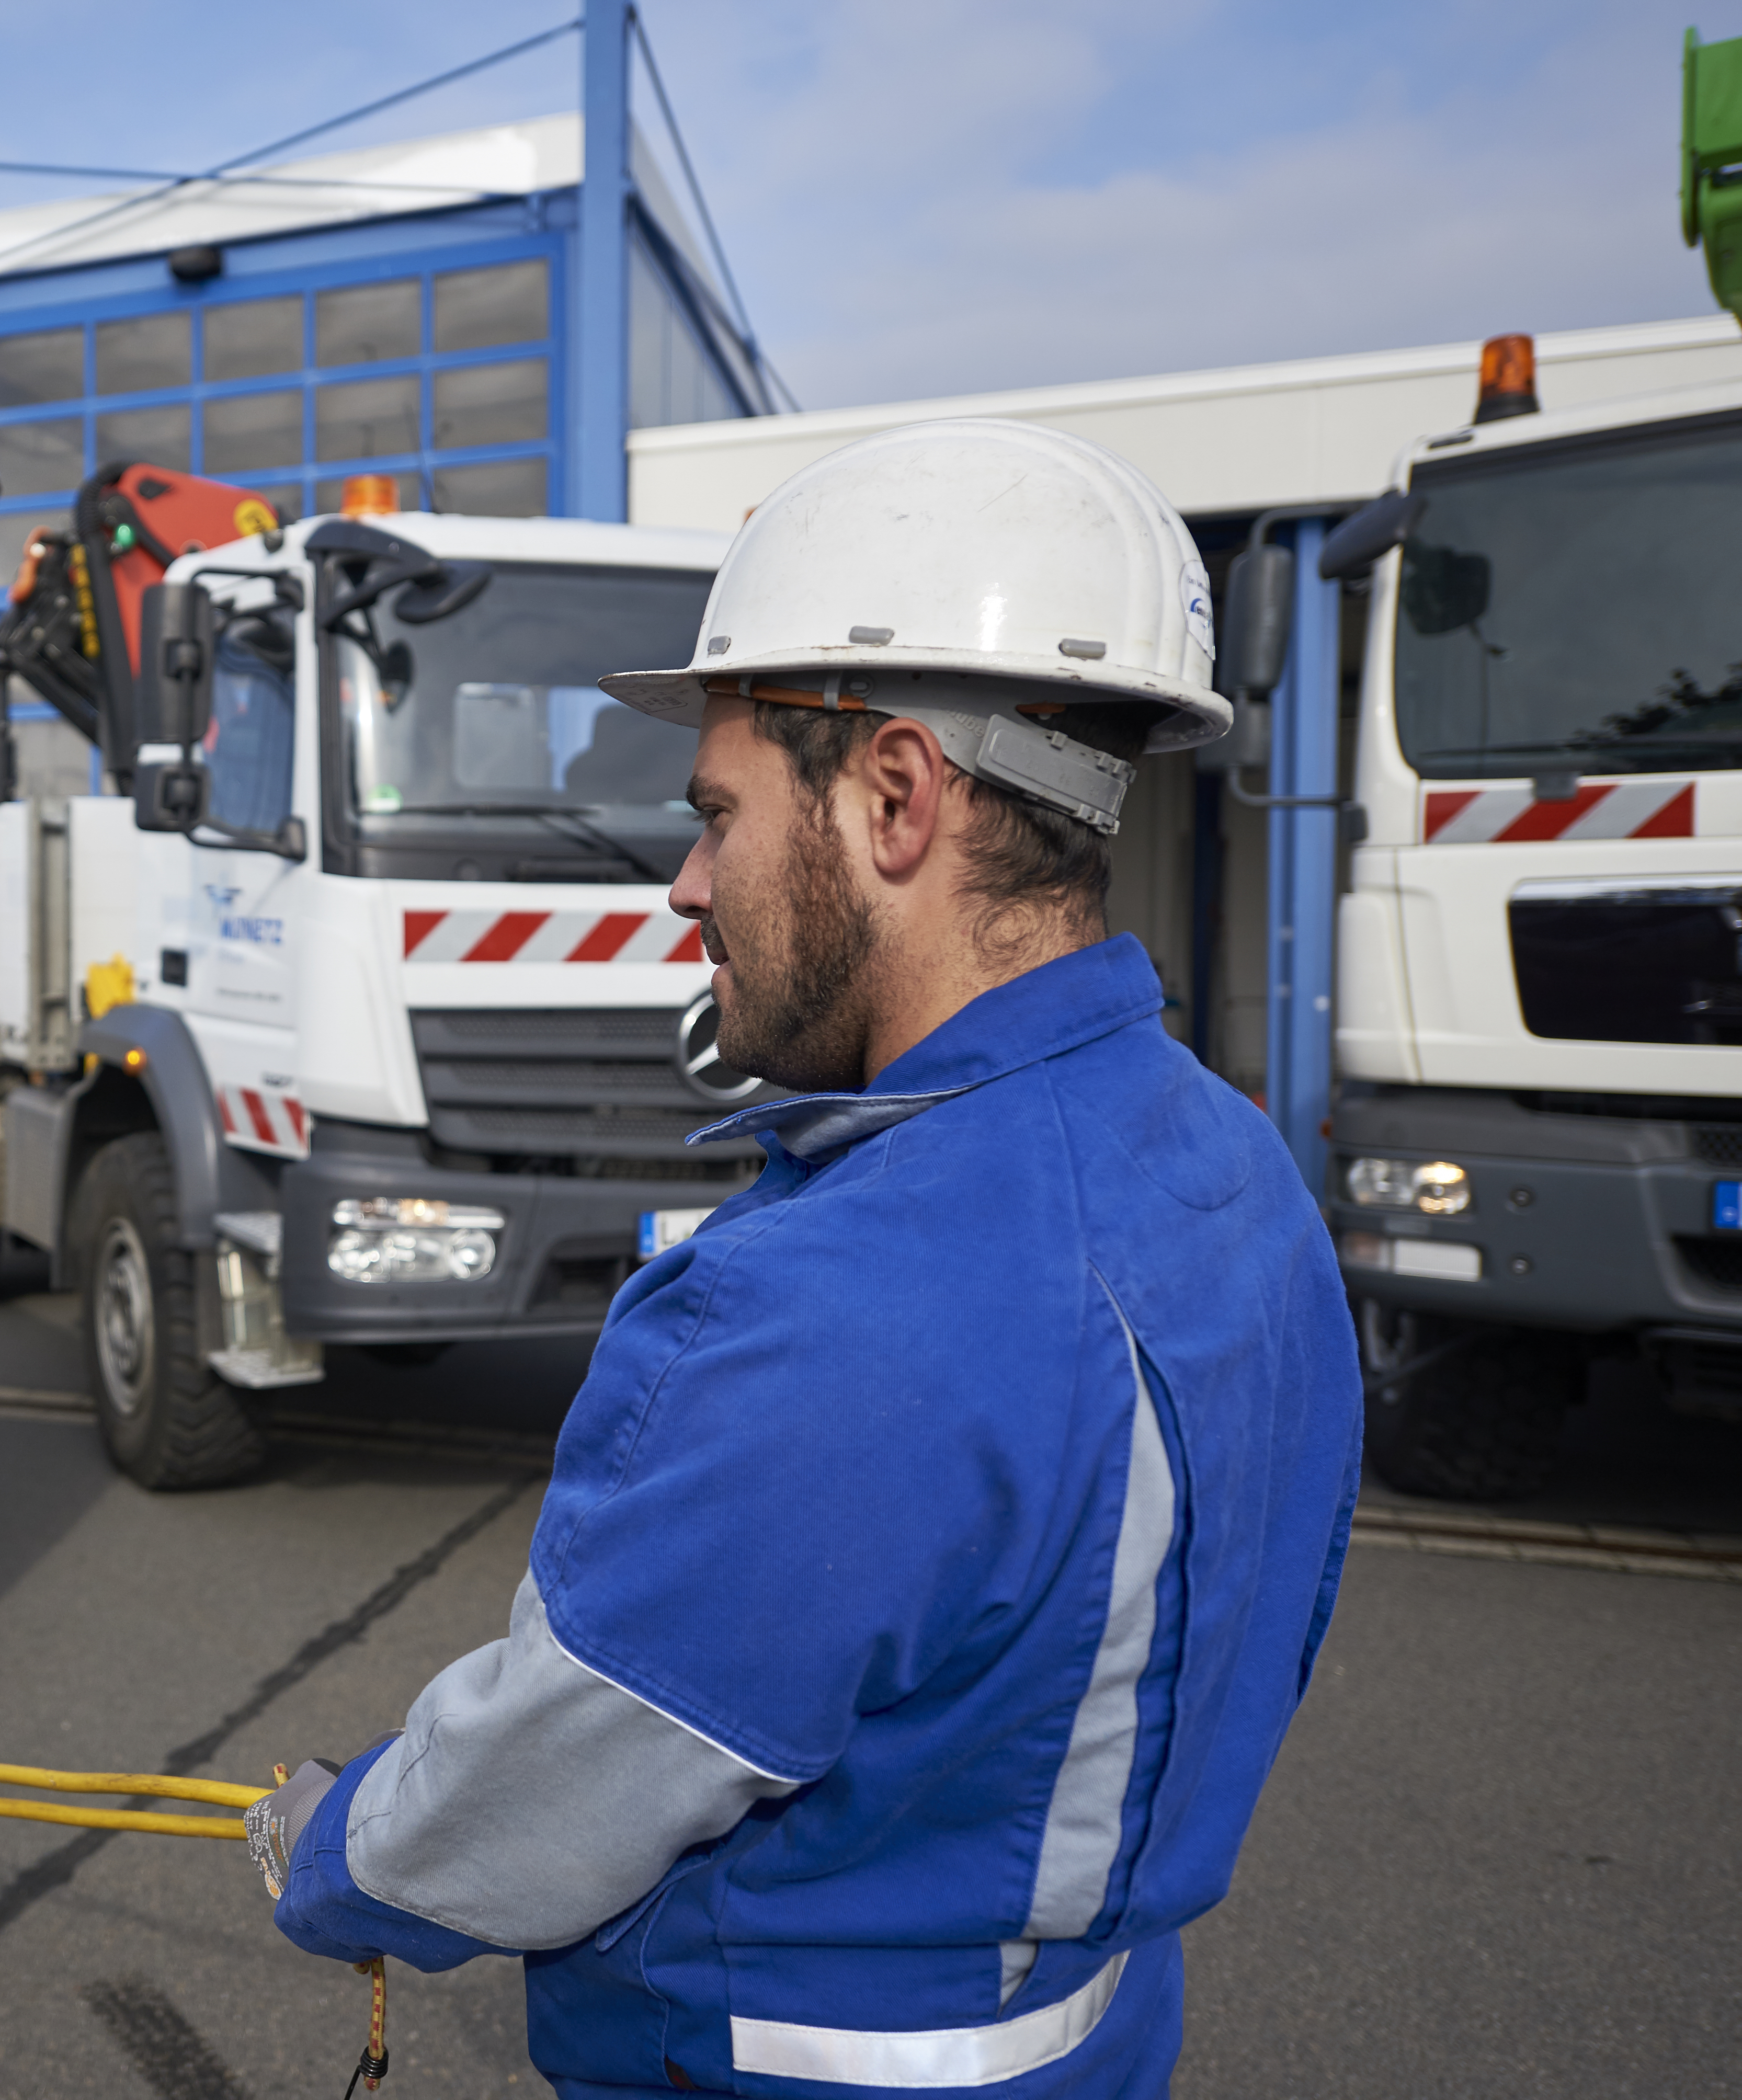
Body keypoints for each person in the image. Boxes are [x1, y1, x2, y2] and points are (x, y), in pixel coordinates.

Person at [245, 419, 1362, 2098]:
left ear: (896, 798)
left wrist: (341, 1853)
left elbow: (549, 1792)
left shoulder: (839, 1303)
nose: (687, 884)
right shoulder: (1239, 1173)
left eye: (717, 814)